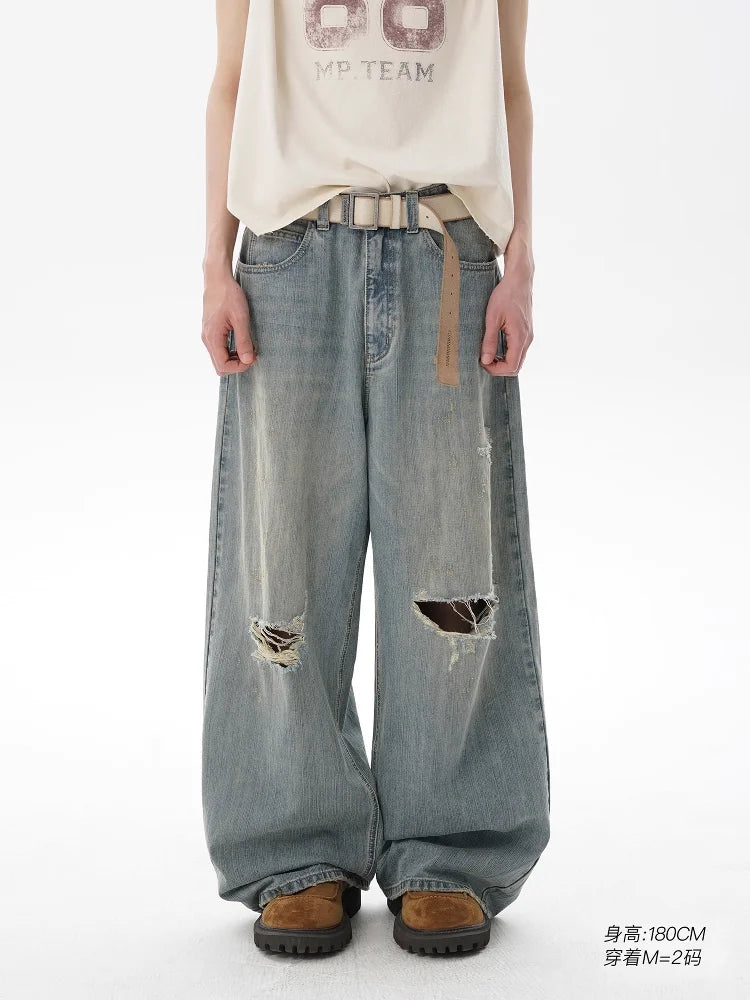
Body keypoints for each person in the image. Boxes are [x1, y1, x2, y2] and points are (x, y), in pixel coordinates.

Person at [201, 0, 550, 957]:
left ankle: (450, 849)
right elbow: (230, 80)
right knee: (283, 566)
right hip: (289, 256)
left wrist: (520, 257)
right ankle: (295, 847)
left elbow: (511, 84)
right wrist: (214, 266)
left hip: (448, 252)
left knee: (451, 572)